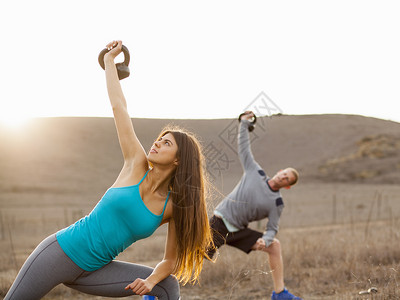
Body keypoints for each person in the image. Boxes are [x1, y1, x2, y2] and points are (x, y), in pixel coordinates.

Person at [5, 40, 213, 300]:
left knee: (167, 286)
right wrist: (109, 64)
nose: (157, 142)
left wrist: (150, 282)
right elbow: (119, 108)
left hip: (95, 271)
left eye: (166, 142)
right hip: (59, 253)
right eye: (160, 138)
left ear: (179, 161)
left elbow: (170, 261)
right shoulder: (136, 165)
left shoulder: (172, 206)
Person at [207, 111, 303, 300]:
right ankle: (157, 288)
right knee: (191, 255)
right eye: (284, 174)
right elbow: (244, 148)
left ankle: (279, 293)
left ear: (288, 186)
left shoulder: (277, 203)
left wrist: (265, 240)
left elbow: (272, 228)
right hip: (220, 222)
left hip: (238, 231)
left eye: (287, 179)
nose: (283, 177)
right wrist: (243, 124)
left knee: (274, 246)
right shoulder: (255, 172)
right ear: (280, 171)